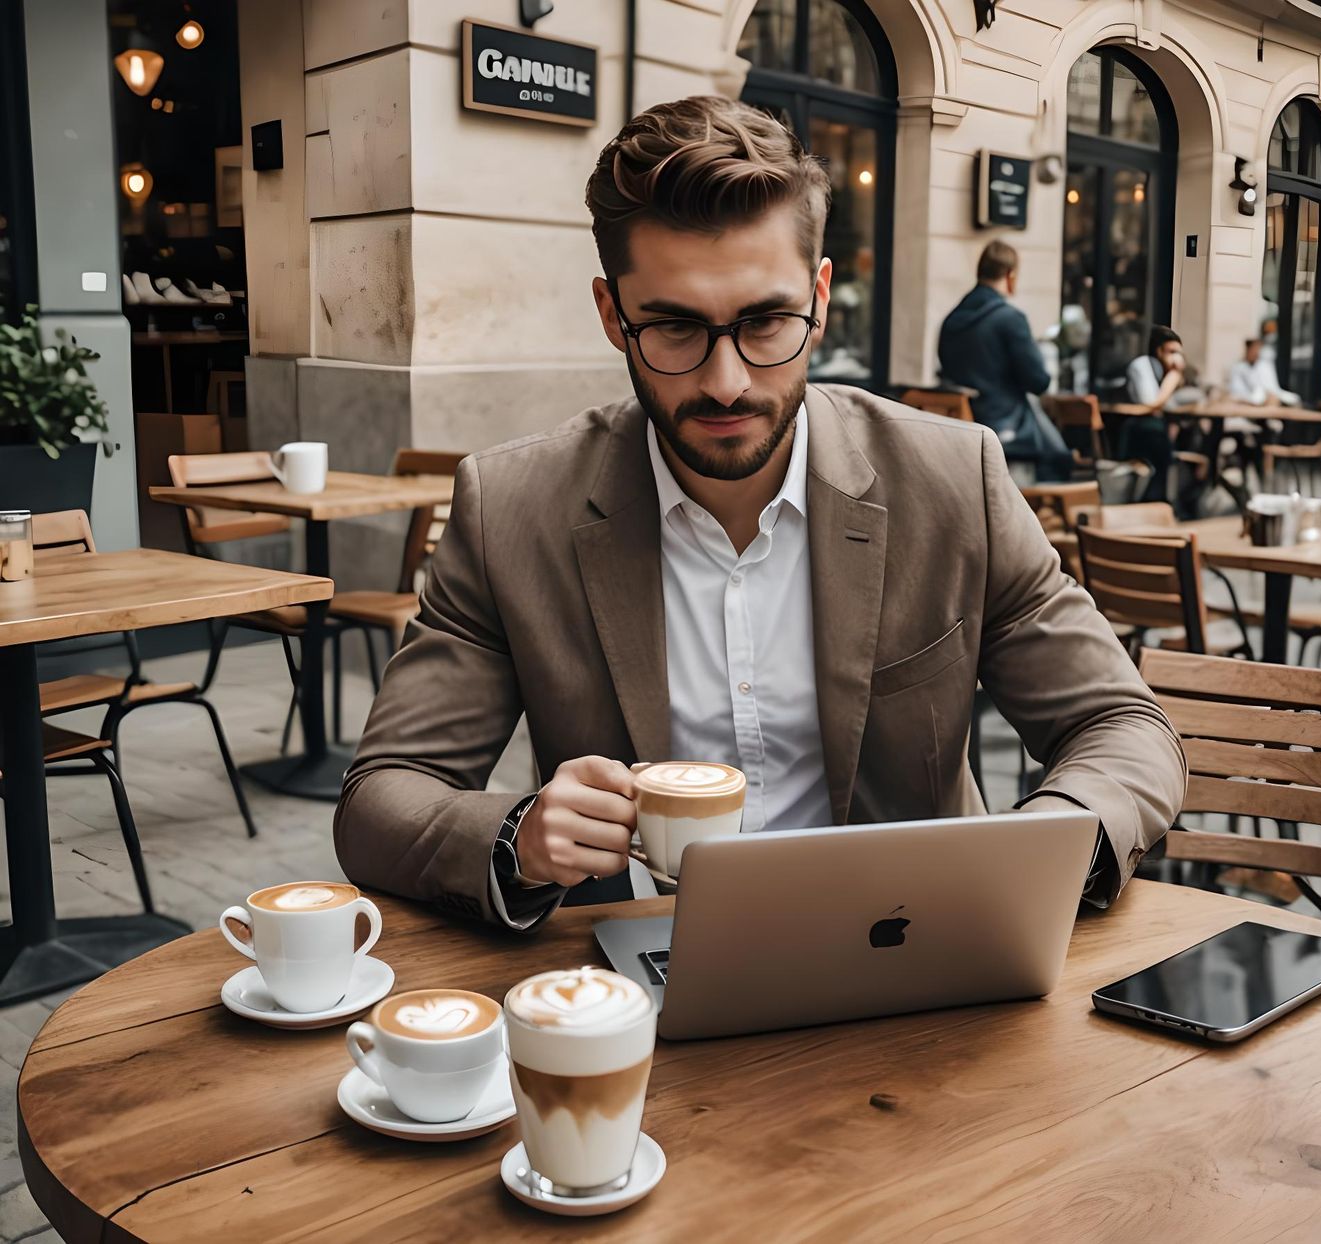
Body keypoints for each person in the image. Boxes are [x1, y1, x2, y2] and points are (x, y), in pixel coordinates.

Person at [334, 96, 1184, 932]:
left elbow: (1121, 724)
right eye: (673, 328)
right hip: (628, 981)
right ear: (611, 315)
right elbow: (382, 794)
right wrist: (516, 836)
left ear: (818, 297)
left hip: (911, 959)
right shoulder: (514, 509)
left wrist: (1043, 846)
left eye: (767, 321)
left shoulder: (952, 479)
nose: (727, 381)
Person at [937, 241, 1070, 481]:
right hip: (1005, 428)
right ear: (1010, 276)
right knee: (1060, 460)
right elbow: (1038, 382)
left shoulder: (951, 321)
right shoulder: (1011, 319)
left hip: (957, 427)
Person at [1119, 326, 1188, 503]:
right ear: (1159, 350)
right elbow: (1150, 403)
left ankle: (1182, 501)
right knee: (1157, 438)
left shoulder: (1163, 373)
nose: (1176, 357)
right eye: (1171, 351)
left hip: (1157, 427)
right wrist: (1173, 378)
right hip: (1134, 425)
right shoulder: (1143, 365)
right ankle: (1155, 500)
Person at [1227, 338, 1299, 407]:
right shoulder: (1239, 367)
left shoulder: (1264, 366)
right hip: (1246, 401)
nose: (1256, 352)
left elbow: (1271, 388)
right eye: (1254, 349)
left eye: (1258, 349)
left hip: (1267, 399)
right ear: (1248, 350)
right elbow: (1238, 391)